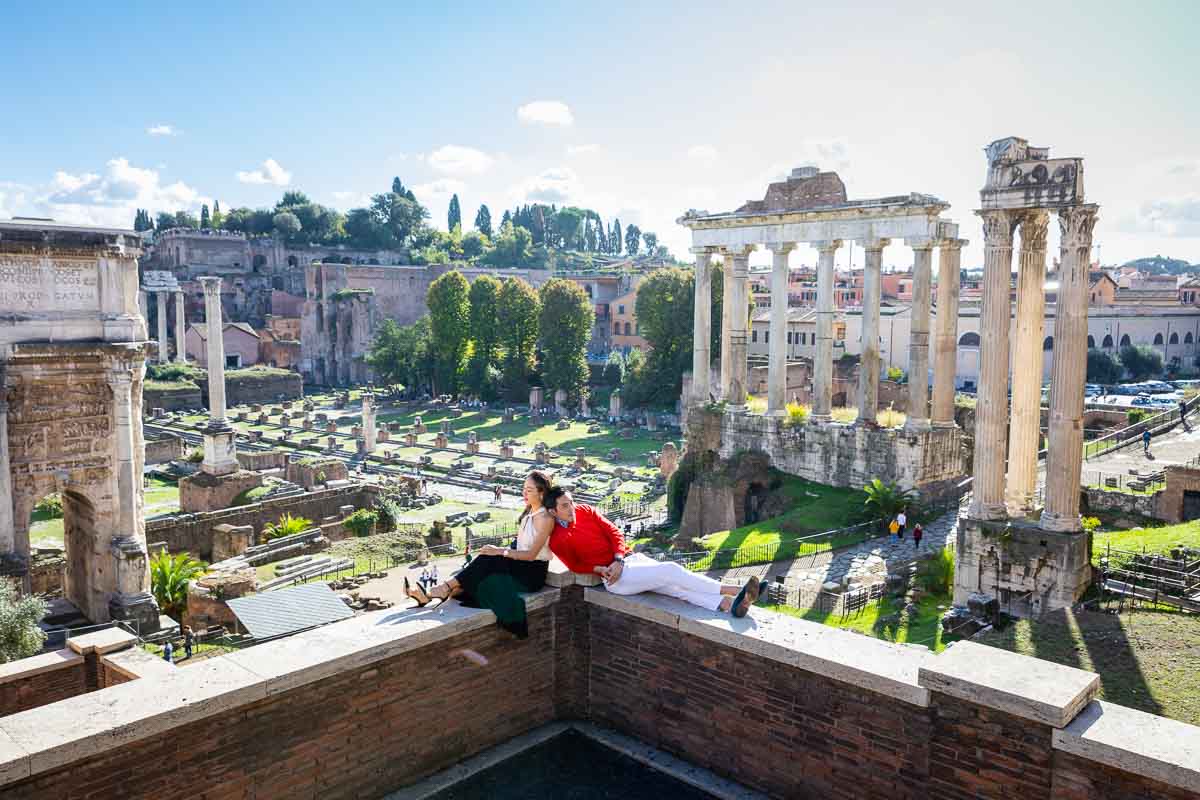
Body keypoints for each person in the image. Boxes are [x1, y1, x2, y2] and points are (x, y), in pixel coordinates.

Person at [545, 487, 760, 617]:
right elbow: (575, 565)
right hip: (616, 581)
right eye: (565, 506)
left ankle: (727, 605)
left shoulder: (585, 510)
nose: (572, 507)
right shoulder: (557, 539)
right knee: (670, 571)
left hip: (629, 561)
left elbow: (613, 533)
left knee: (675, 589)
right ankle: (735, 590)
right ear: (554, 511)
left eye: (571, 502)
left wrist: (619, 558)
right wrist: (599, 568)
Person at [406, 470, 554, 638]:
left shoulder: (545, 518)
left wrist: (499, 551)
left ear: (541, 493)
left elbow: (531, 554)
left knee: (490, 560)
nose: (524, 493)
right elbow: (518, 545)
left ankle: (443, 588)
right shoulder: (529, 513)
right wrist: (498, 551)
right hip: (520, 566)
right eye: (523, 488)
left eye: (529, 490)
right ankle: (431, 594)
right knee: (485, 569)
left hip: (532, 574)